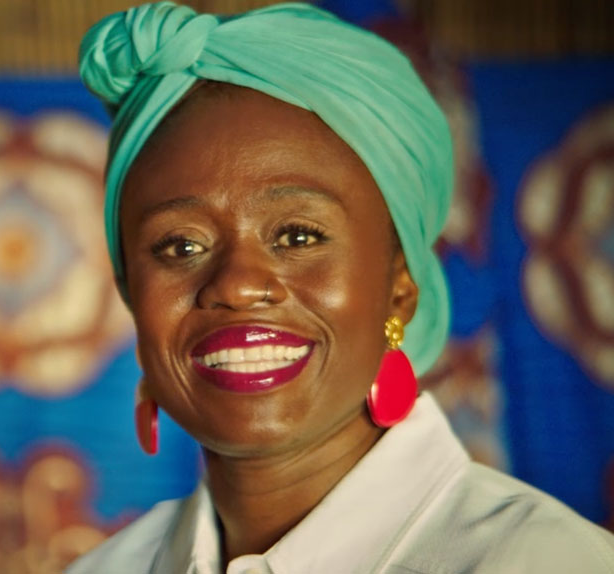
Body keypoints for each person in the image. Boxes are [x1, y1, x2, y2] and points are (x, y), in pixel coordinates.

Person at [68, 2, 614, 573]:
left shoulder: (543, 560)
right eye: (181, 246)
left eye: (297, 236)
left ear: (400, 288)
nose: (238, 285)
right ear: (131, 295)